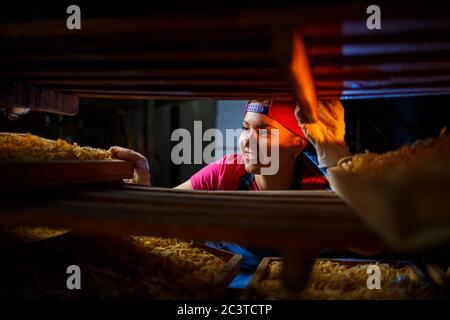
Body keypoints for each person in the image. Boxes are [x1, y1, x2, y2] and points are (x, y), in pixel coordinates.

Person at [110, 99, 353, 288]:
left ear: (298, 144)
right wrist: (142, 185)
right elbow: (160, 217)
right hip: (221, 283)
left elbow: (368, 245)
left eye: (265, 131)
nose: (247, 140)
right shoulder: (227, 171)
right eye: (246, 128)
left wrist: (335, 150)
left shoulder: (320, 184)